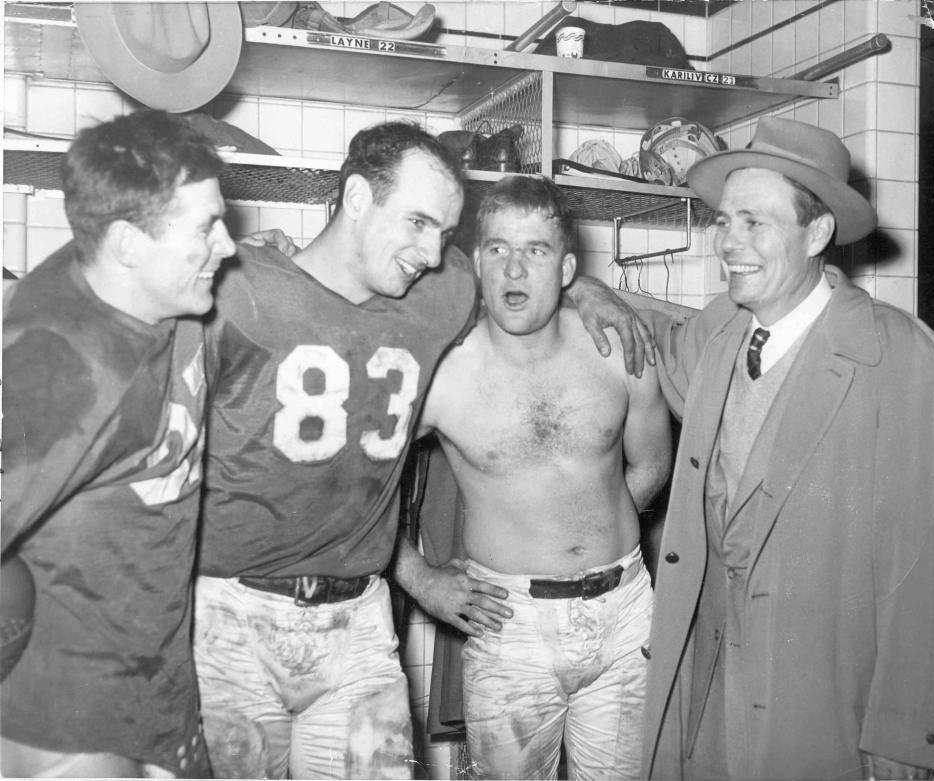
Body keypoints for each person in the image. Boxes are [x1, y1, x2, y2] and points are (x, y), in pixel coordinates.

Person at [192, 121, 652, 779]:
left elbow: (517, 271)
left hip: (357, 617)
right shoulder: (236, 287)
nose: (433, 252)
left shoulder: (435, 292)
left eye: (444, 232)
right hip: (235, 612)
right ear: (355, 198)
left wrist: (588, 287)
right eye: (417, 223)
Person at [634, 117, 934, 780]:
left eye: (756, 222)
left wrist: (905, 732)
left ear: (817, 233)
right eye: (724, 221)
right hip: (711, 685)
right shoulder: (717, 331)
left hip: (824, 696)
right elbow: (643, 339)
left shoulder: (900, 353)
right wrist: (579, 286)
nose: (729, 243)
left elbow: (931, 561)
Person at [395, 176, 672, 779]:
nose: (515, 269)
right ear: (475, 263)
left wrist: (590, 523)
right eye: (498, 249)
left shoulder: (618, 349)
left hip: (625, 612)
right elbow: (355, 486)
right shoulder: (442, 376)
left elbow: (652, 462)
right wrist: (418, 578)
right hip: (510, 627)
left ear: (567, 266)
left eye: (536, 251)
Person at [1, 109, 237, 778]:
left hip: (154, 689)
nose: (228, 246)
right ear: (130, 242)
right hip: (71, 726)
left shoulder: (155, 291)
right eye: (205, 229)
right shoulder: (62, 373)